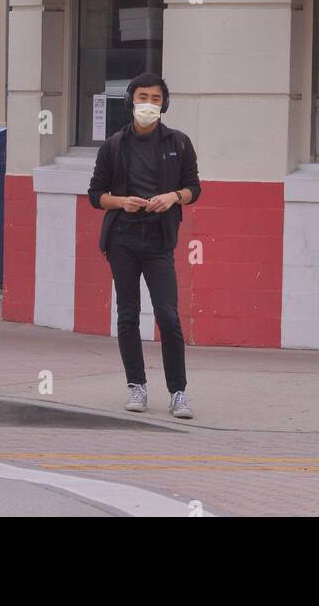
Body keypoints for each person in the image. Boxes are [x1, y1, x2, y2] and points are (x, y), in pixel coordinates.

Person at [87, 72, 201, 419]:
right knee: (128, 314)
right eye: (142, 97)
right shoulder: (114, 145)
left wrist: (173, 197)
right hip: (122, 238)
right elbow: (96, 195)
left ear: (164, 103)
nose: (148, 104)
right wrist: (122, 202)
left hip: (158, 240)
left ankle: (178, 392)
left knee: (168, 316)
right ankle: (136, 386)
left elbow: (194, 187)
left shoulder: (178, 143)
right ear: (130, 102)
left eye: (154, 98)